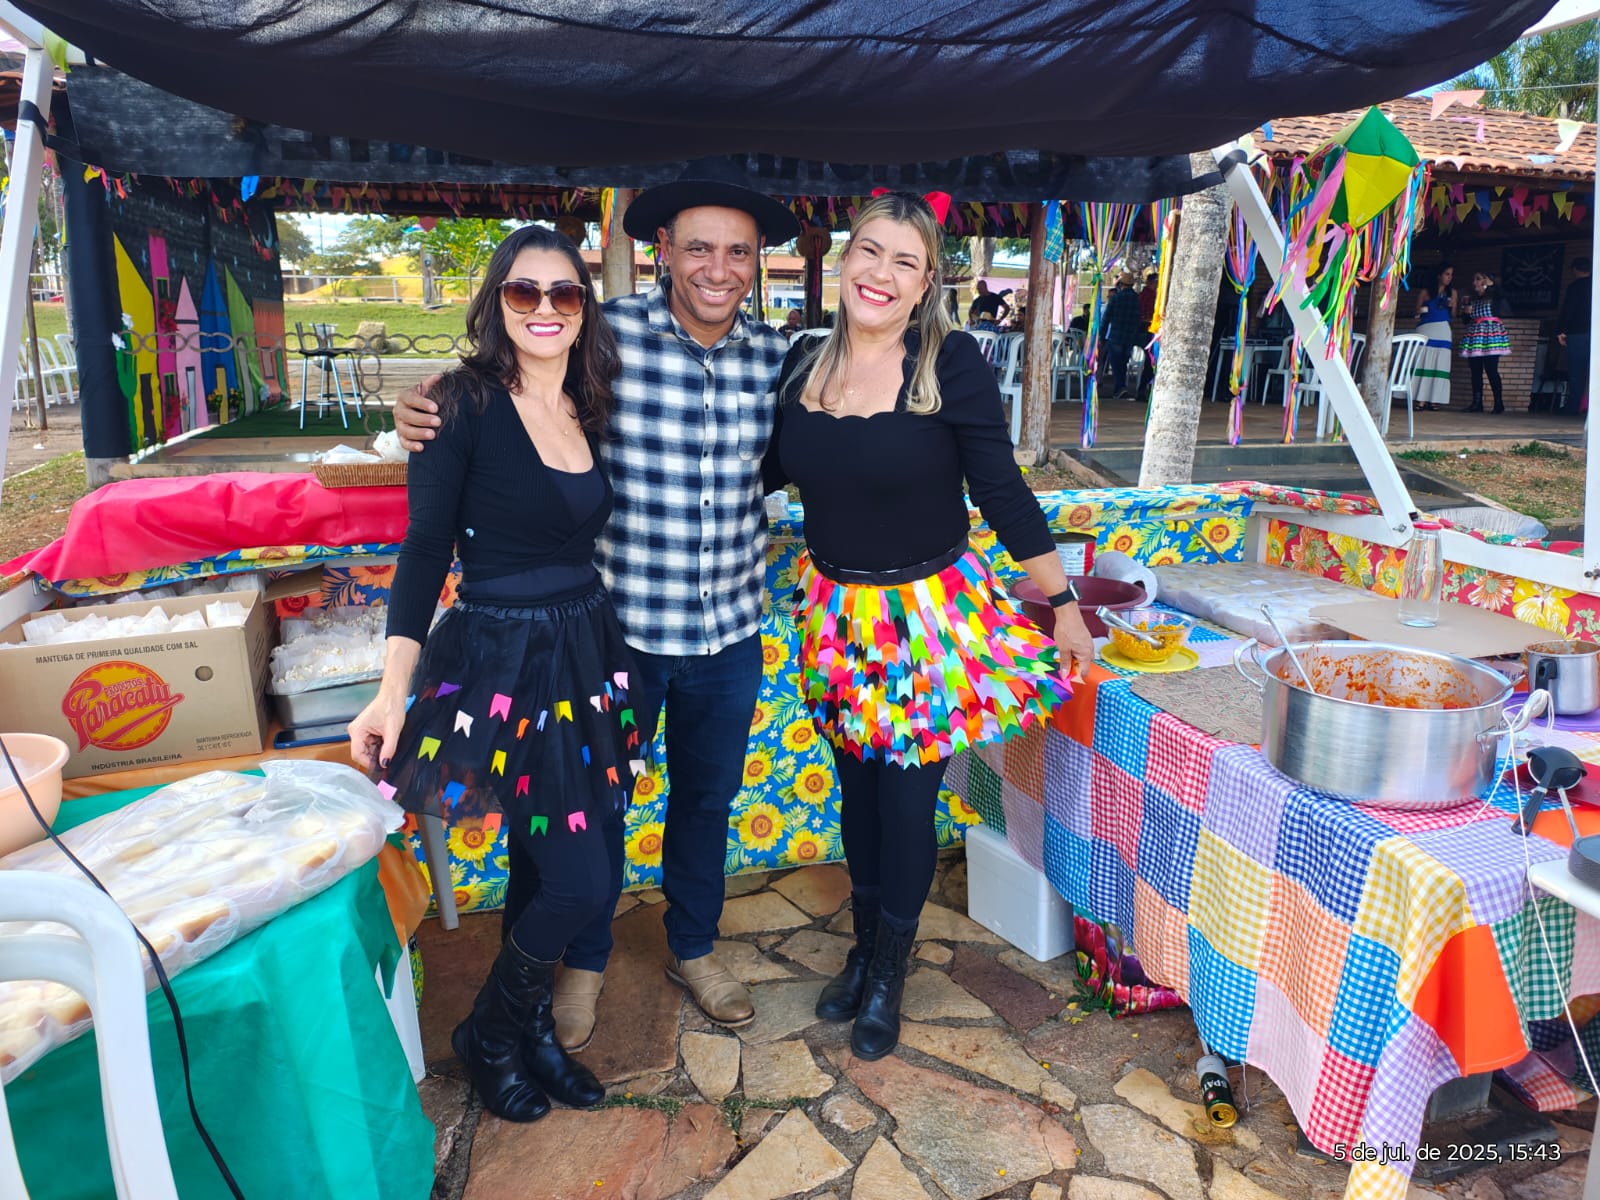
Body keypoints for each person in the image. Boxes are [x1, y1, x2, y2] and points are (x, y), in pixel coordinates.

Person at [393, 160, 801, 1048]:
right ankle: (581, 962)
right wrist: (419, 406)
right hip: (617, 635)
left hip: (730, 629)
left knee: (707, 801)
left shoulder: (780, 359)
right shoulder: (599, 336)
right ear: (663, 251)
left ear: (757, 263)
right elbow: (502, 378)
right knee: (586, 811)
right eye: (699, 247)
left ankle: (694, 948)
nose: (718, 268)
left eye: (738, 252)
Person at [762, 192, 1094, 1061]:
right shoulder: (800, 365)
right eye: (869, 252)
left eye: (904, 262)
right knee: (857, 793)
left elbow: (1002, 491)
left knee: (904, 803)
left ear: (925, 285)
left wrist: (1062, 603)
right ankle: (864, 944)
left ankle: (888, 971)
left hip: (923, 621)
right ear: (844, 262)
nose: (881, 273)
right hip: (838, 617)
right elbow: (748, 465)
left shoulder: (951, 364)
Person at [349, 224, 629, 1122]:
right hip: (504, 659)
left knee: (549, 866)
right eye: (524, 291)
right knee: (585, 882)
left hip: (583, 650)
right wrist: (391, 691)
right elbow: (425, 548)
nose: (545, 307)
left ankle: (528, 1031)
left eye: (564, 292)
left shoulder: (588, 401)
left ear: (583, 308)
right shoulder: (458, 403)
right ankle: (490, 1031)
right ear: (497, 301)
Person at [1460, 270, 1512, 413]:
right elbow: (1465, 320)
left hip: (1491, 335)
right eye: (1474, 279)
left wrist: (1493, 285)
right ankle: (1477, 403)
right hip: (1475, 335)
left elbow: (1504, 296)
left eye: (1478, 279)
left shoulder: (1494, 295)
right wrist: (1465, 313)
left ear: (1485, 281)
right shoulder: (1471, 298)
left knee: (1491, 369)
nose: (1474, 282)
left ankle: (1498, 403)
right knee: (1475, 370)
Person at [1411, 263, 1458, 412]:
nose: (1449, 278)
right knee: (1424, 363)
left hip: (1443, 329)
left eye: (1451, 275)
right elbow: (1416, 312)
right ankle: (1421, 400)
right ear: (1439, 275)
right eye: (1447, 274)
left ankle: (1435, 400)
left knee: (1440, 365)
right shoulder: (1426, 292)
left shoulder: (1452, 293)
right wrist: (1421, 310)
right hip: (1426, 328)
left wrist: (1452, 306)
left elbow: (1454, 315)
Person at [1101, 272, 1143, 398]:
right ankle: (1120, 387)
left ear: (1121, 284)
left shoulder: (1116, 298)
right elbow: (1138, 318)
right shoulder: (1137, 299)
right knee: (1124, 363)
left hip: (1116, 335)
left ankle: (1120, 387)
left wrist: (1102, 336)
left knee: (1116, 363)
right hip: (1129, 336)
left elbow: (1106, 319)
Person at [1559, 258, 1591, 415]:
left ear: (1576, 270)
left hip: (1577, 333)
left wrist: (1562, 330)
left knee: (1576, 372)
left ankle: (1573, 407)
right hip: (1594, 332)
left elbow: (1568, 310)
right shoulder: (1595, 284)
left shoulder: (1574, 287)